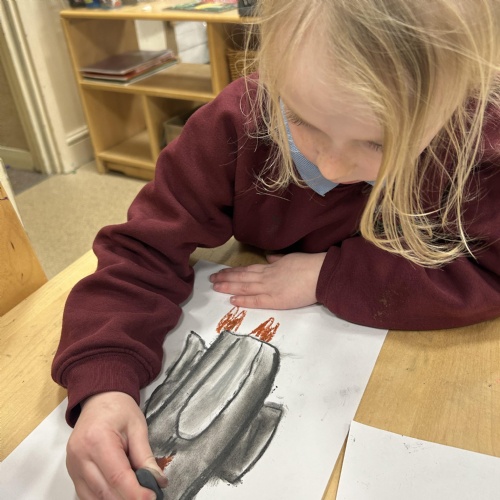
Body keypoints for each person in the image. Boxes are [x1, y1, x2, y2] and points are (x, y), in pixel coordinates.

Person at [52, 0, 500, 498]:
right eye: (303, 120)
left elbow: (491, 272)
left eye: (378, 143)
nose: (331, 167)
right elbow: (142, 253)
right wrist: (105, 382)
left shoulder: (480, 146)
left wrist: (328, 275)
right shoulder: (234, 123)